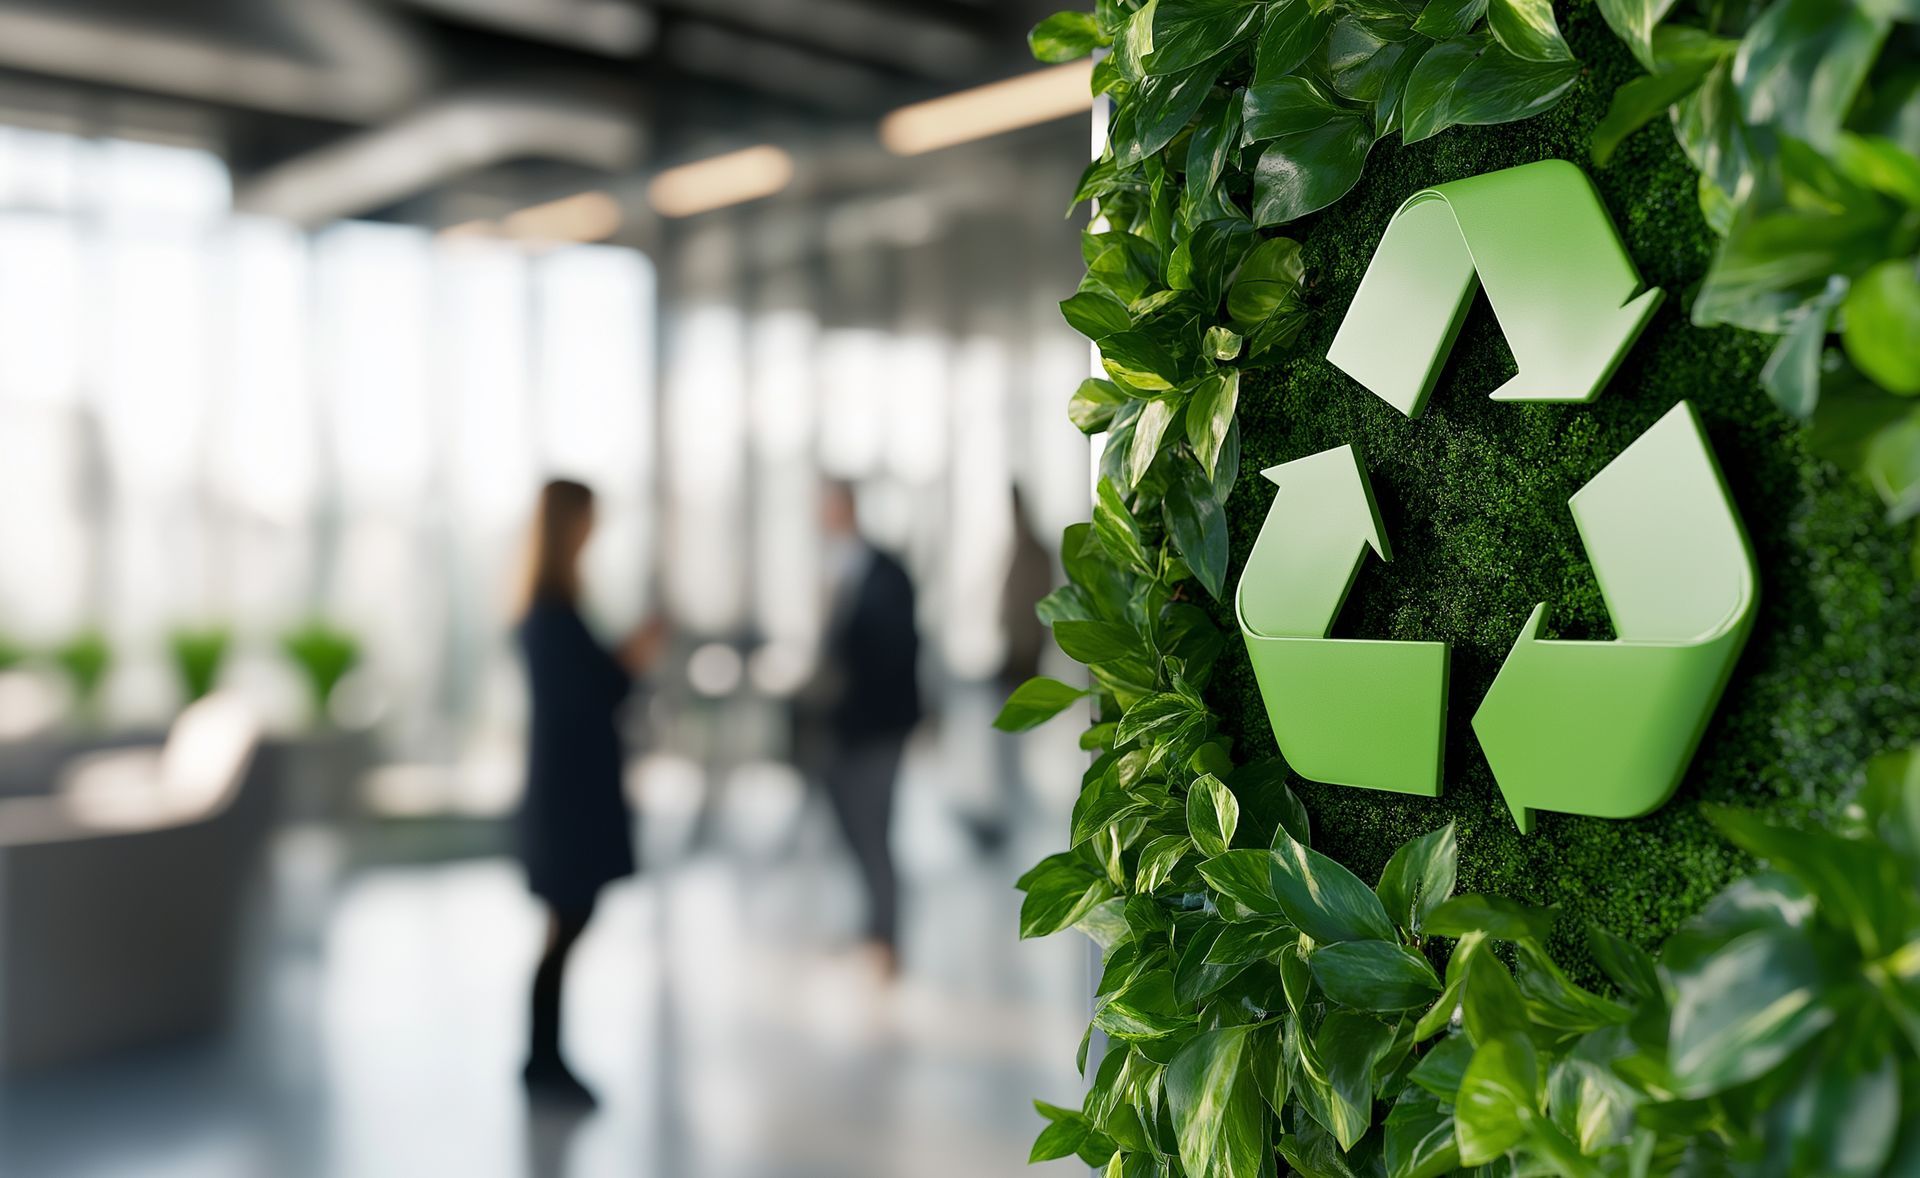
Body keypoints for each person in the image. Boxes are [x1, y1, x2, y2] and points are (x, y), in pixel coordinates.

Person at [514, 478, 663, 1107]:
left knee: (565, 926)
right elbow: (586, 698)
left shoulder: (557, 607)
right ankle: (542, 1060)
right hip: (568, 799)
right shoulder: (549, 613)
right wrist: (629, 661)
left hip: (571, 793)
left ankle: (542, 1059)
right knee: (566, 925)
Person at [809, 480, 921, 979]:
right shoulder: (838, 567)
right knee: (851, 823)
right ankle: (873, 929)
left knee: (874, 828)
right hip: (845, 725)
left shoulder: (885, 573)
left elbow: (889, 650)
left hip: (877, 725)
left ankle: (886, 938)